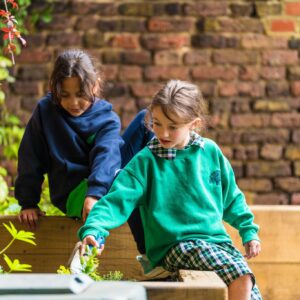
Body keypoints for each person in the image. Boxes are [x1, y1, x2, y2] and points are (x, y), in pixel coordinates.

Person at [78, 80, 262, 299]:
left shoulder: (210, 152)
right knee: (241, 276)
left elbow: (232, 198)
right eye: (156, 123)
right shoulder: (145, 162)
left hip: (218, 243)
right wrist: (94, 230)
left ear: (193, 124)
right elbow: (115, 201)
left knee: (252, 292)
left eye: (172, 127)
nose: (163, 132)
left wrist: (248, 231)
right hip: (175, 245)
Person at [15, 49, 123, 229]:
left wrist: (95, 193)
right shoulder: (46, 111)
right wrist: (28, 203)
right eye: (64, 95)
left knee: (145, 122)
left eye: (80, 94)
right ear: (55, 90)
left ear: (95, 85)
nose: (73, 103)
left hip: (102, 185)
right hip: (75, 193)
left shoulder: (108, 119)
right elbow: (30, 155)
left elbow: (107, 156)